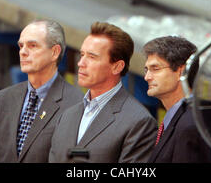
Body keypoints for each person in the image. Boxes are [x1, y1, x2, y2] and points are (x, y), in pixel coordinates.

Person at [49, 21, 158, 163]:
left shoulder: (139, 122)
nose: (81, 63)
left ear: (117, 67)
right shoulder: (67, 116)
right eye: (82, 55)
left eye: (92, 57)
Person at [0, 19, 83, 163]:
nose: (23, 52)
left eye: (32, 45)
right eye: (21, 46)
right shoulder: (3, 98)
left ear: (54, 52)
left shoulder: (77, 105)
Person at [143, 35, 211, 163]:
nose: (147, 77)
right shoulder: (182, 117)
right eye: (146, 70)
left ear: (181, 72)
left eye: (155, 69)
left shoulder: (190, 126)